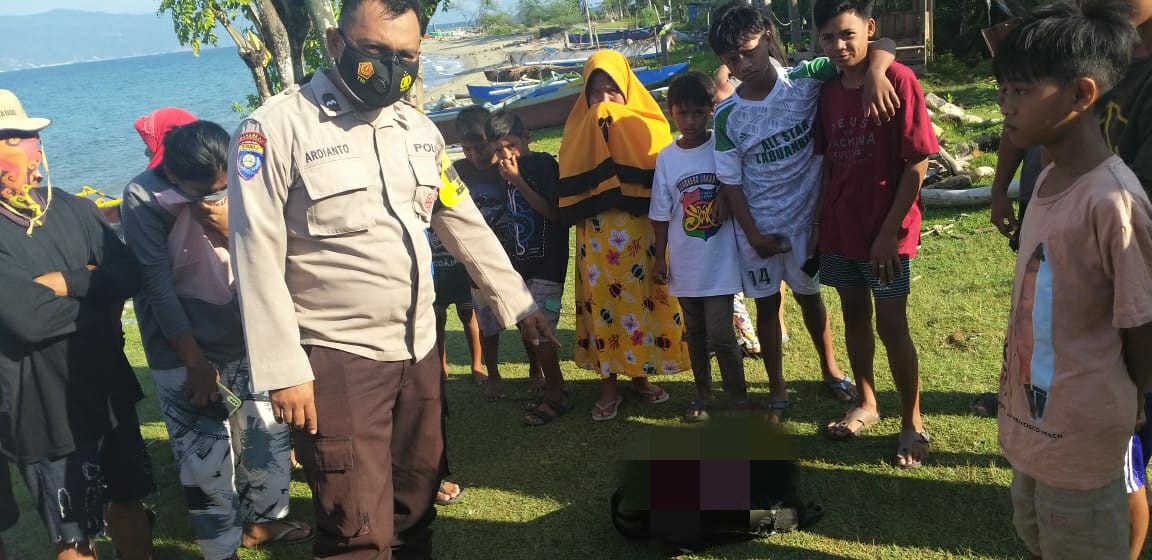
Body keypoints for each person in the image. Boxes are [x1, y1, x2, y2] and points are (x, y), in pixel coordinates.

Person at [226, 1, 555, 558]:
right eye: (375, 51)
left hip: (420, 350)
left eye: (406, 55)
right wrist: (283, 371)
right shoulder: (276, 129)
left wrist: (518, 305)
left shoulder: (419, 131)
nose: (390, 68)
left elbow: (461, 221)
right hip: (338, 356)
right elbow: (254, 253)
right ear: (336, 43)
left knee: (415, 510)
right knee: (356, 530)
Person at [988, 1, 1152, 556]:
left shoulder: (1113, 203)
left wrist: (1121, 405)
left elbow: (1141, 327)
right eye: (1003, 89)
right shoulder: (1048, 178)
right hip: (1034, 434)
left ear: (1082, 94)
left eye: (1021, 90)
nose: (1005, 105)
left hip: (1084, 446)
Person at [121, 118, 313, 560]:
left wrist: (229, 227)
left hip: (246, 334)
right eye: (205, 192)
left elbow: (271, 248)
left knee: (265, 436)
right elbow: (157, 288)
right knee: (202, 458)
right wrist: (194, 364)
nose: (217, 197)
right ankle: (220, 547)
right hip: (183, 350)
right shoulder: (143, 196)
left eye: (225, 188)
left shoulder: (243, 172)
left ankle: (263, 523)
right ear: (173, 174)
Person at [709, 1, 898, 419]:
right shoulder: (727, 116)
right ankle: (777, 388)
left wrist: (878, 73)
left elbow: (881, 43)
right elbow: (731, 181)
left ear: (767, 38)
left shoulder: (806, 79)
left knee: (811, 299)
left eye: (748, 52)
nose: (743, 65)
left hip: (806, 227)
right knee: (766, 307)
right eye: (731, 60)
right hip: (758, 231)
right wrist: (753, 234)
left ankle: (831, 370)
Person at [0, 89, 155, 560]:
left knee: (128, 498)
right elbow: (27, 321)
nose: (29, 149)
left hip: (107, 388)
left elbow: (127, 272)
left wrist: (68, 282)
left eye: (28, 137)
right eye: (13, 138)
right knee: (73, 535)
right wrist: (97, 294)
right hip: (42, 407)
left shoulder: (69, 206)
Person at [812, 0, 938, 466]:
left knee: (891, 325)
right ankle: (866, 401)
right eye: (828, 37)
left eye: (847, 34)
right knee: (853, 316)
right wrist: (819, 224)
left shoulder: (898, 80)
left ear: (869, 28)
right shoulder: (827, 92)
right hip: (841, 228)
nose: (839, 45)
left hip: (887, 231)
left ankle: (913, 421)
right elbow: (829, 165)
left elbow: (917, 162)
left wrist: (888, 232)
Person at [558, 49, 689, 422]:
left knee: (642, 305)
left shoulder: (652, 126)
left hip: (644, 235)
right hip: (599, 242)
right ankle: (608, 386)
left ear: (628, 89)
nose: (603, 100)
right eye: (595, 92)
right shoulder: (575, 135)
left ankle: (641, 377)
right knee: (605, 307)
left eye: (612, 90)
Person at [650, 71, 745, 423]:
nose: (690, 121)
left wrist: (723, 194)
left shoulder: (721, 146)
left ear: (711, 110)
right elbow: (661, 213)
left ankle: (737, 394)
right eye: (683, 113)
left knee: (721, 333)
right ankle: (703, 392)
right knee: (695, 333)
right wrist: (659, 258)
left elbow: (738, 181)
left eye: (698, 112)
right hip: (685, 262)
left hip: (720, 260)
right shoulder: (667, 158)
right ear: (671, 111)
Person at [480, 109, 570, 426]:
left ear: (526, 138)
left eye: (511, 145)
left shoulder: (542, 165)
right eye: (499, 149)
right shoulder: (502, 173)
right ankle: (552, 384)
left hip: (549, 263)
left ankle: (556, 393)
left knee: (543, 330)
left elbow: (553, 212)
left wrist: (518, 180)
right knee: (528, 329)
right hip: (521, 265)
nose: (506, 155)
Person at [448, 106, 522, 402]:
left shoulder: (507, 167)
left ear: (490, 139)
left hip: (514, 255)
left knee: (525, 316)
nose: (474, 155)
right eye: (466, 148)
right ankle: (493, 374)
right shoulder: (458, 171)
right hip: (478, 263)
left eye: (480, 146)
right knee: (487, 323)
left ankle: (536, 371)